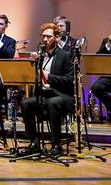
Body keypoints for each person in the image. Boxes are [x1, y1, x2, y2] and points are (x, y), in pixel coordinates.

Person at [20, 23, 76, 156]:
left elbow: (69, 80)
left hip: (62, 95)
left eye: (48, 37)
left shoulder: (65, 55)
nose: (45, 40)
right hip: (44, 94)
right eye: (43, 36)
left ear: (56, 38)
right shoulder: (40, 55)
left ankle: (56, 144)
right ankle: (34, 141)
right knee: (25, 103)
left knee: (52, 103)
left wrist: (48, 77)